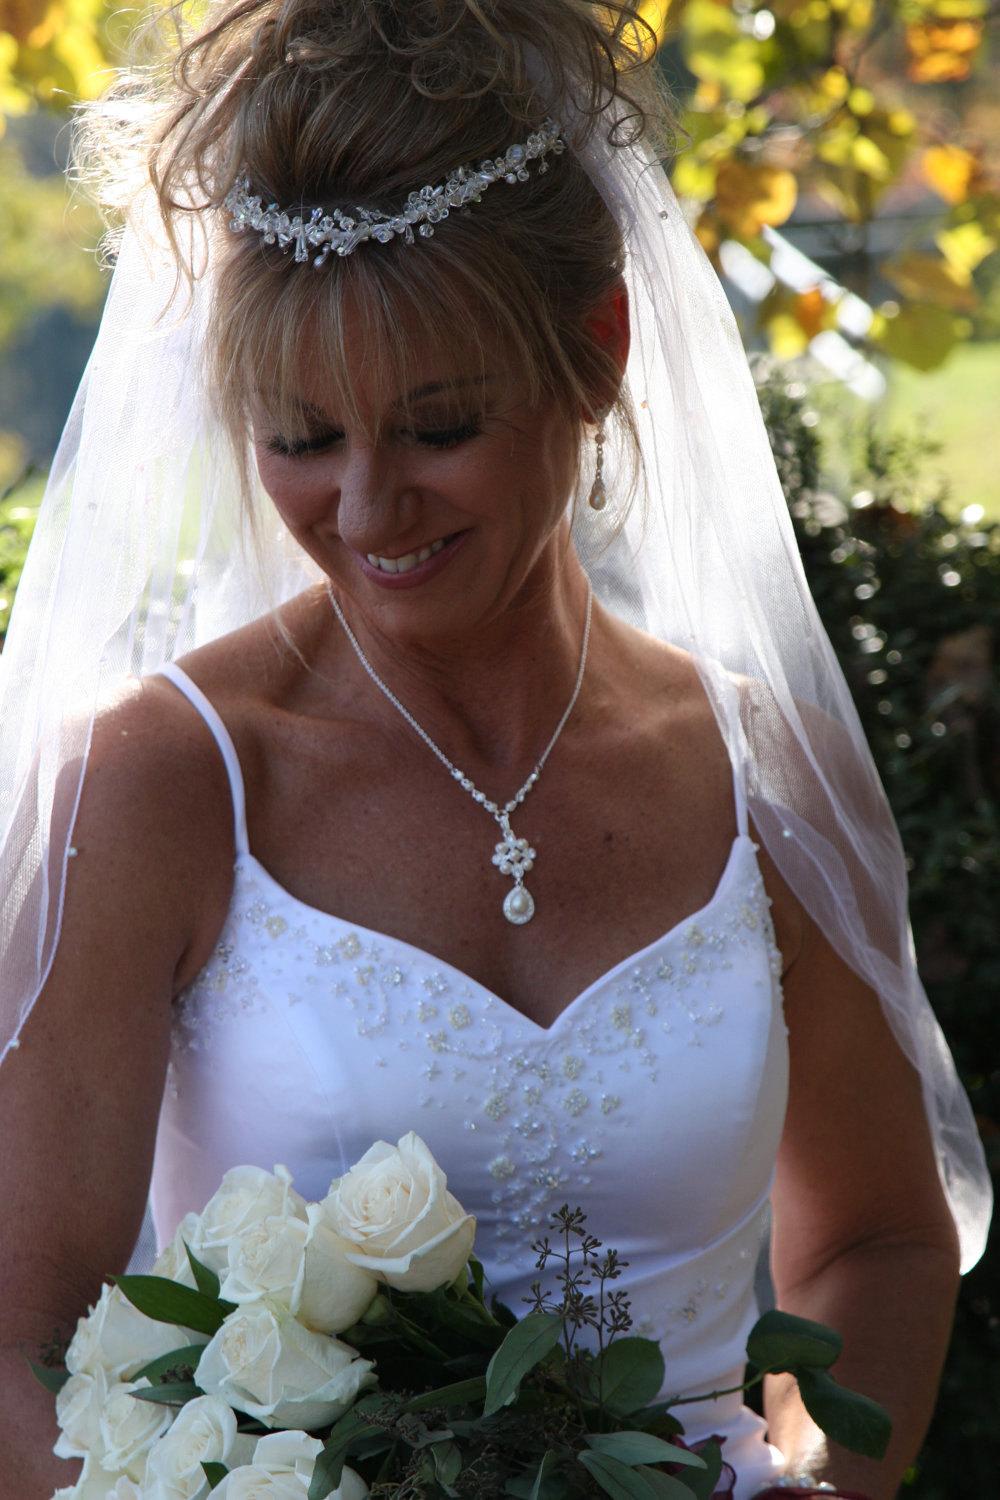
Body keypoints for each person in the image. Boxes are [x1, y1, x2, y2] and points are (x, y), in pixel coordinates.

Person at [0, 3, 990, 1497]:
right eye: (301, 436)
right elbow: (16, 1342)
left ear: (596, 351)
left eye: (439, 423)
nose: (368, 508)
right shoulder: (166, 783)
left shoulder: (754, 766)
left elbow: (882, 1240)